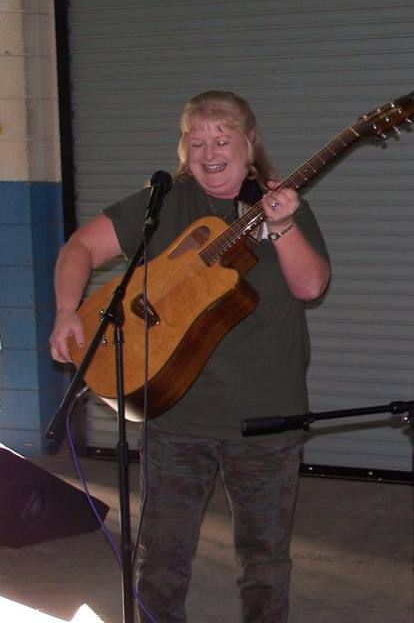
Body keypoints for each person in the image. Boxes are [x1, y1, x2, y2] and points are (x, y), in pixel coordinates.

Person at [49, 90, 331, 622]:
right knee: (161, 560)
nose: (209, 153)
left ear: (249, 143)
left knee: (265, 561)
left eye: (222, 139)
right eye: (196, 142)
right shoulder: (164, 203)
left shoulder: (281, 206)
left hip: (266, 420)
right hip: (175, 416)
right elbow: (80, 248)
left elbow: (311, 286)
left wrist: (283, 225)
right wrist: (67, 311)